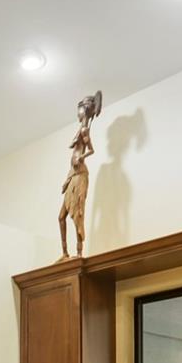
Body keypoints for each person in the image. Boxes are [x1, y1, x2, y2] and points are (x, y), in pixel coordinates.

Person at [58, 90, 102, 259]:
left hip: (81, 176)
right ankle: (64, 252)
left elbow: (91, 150)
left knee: (78, 213)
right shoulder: (81, 129)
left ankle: (78, 251)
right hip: (73, 175)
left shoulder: (84, 130)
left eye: (80, 109)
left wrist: (81, 158)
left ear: (85, 110)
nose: (78, 113)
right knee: (61, 217)